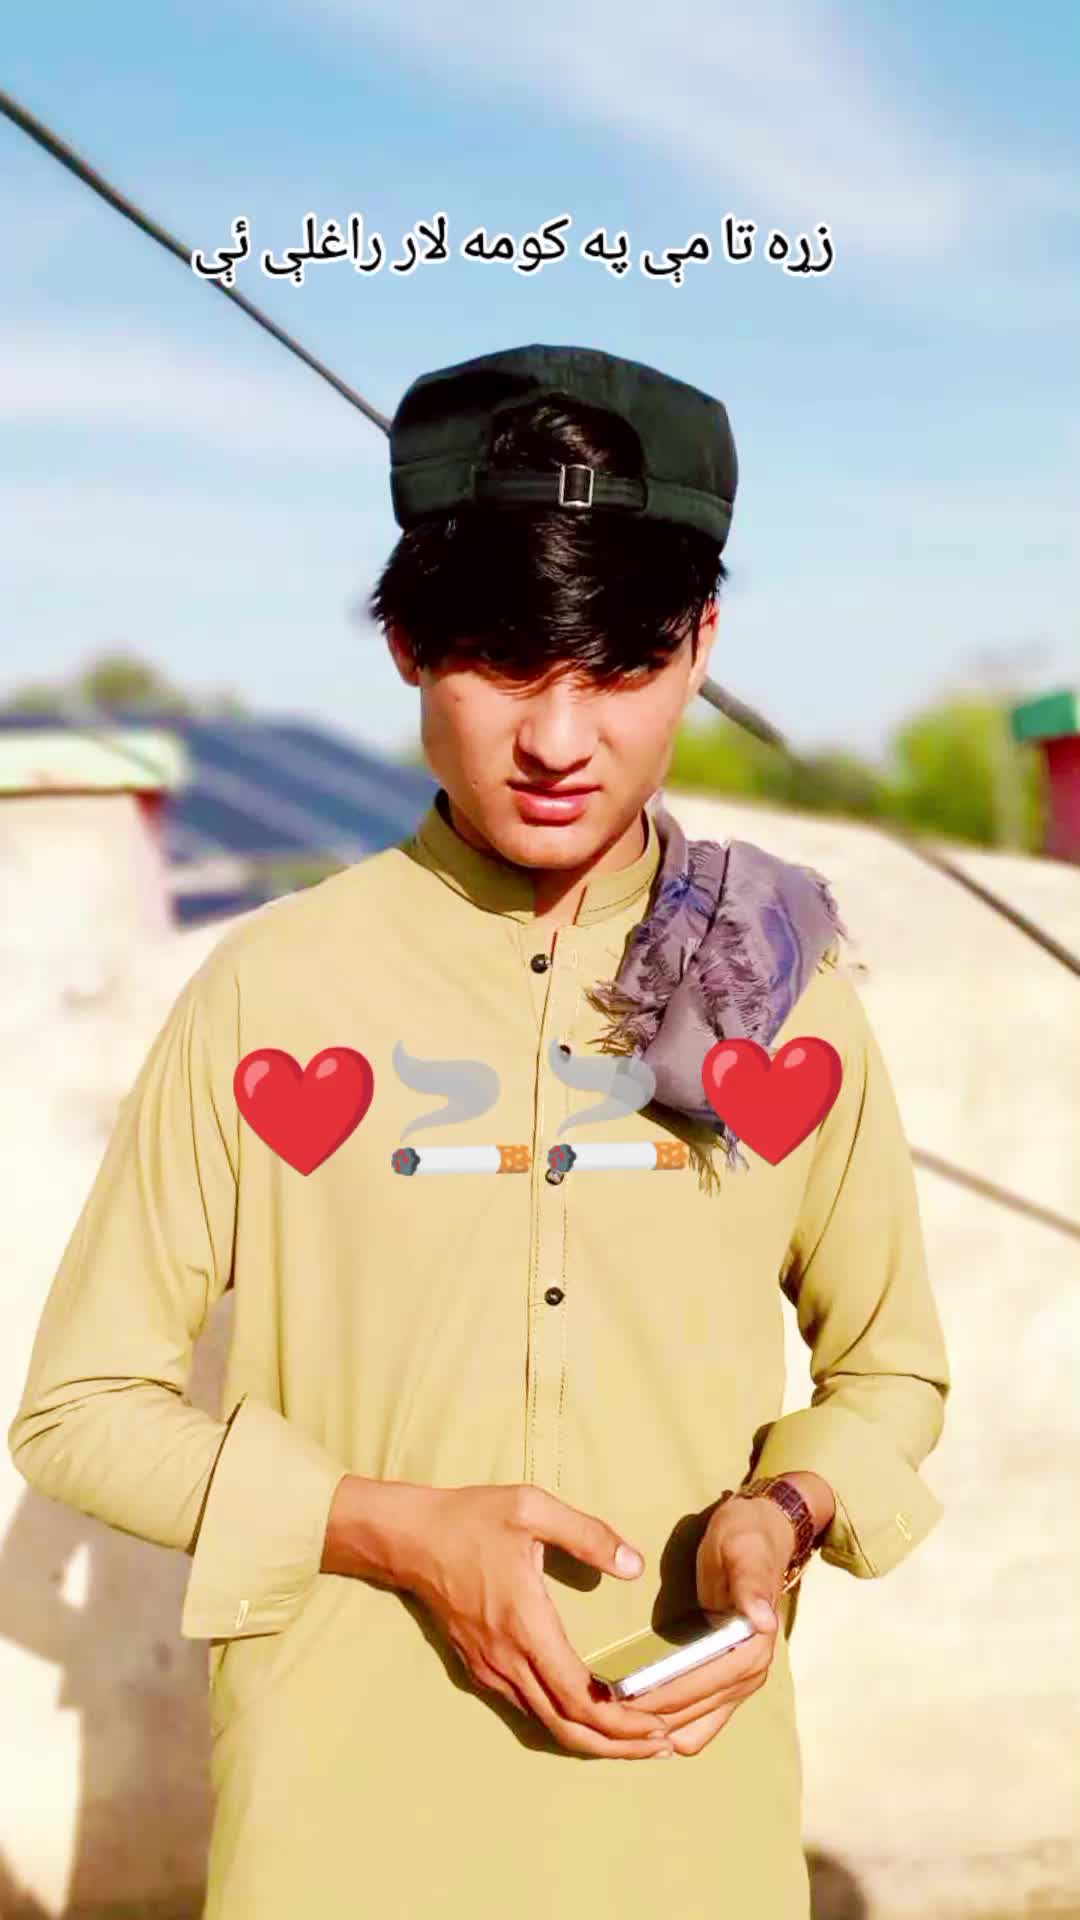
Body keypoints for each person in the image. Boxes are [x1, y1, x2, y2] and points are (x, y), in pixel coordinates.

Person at [8, 343, 951, 1919]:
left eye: (620, 668)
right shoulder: (267, 989)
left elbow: (891, 1371)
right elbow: (81, 1409)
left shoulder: (780, 982)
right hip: (340, 1835)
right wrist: (383, 1528)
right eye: (506, 666)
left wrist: (783, 1516)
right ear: (405, 646)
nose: (560, 740)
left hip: (685, 1828)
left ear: (703, 646)